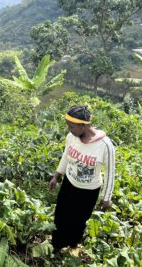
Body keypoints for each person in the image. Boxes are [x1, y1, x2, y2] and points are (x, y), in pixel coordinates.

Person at [49, 105, 115, 252]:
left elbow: (111, 172)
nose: (69, 129)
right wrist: (56, 176)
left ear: (84, 125)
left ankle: (73, 246)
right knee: (61, 215)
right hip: (69, 183)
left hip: (89, 191)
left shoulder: (105, 145)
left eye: (72, 126)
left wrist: (107, 197)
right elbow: (66, 155)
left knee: (78, 221)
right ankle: (57, 245)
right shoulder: (71, 137)